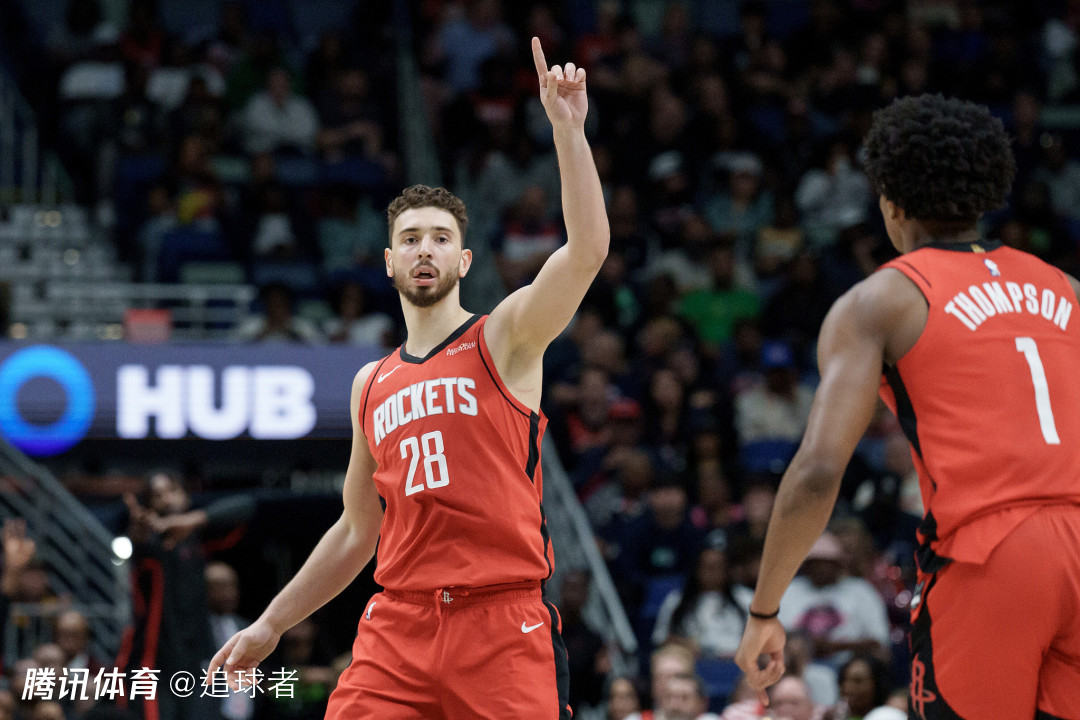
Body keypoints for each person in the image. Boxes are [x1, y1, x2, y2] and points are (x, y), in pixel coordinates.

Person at [208, 37, 608, 719]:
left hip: (501, 620)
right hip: (399, 625)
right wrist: (271, 622)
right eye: (412, 239)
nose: (426, 249)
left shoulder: (504, 337)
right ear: (390, 262)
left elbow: (587, 250)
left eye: (442, 238)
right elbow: (355, 531)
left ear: (464, 261)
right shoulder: (371, 382)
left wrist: (568, 133)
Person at [734, 93, 1080, 719]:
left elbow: (818, 470)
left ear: (890, 202)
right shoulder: (1067, 288)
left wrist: (764, 610)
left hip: (992, 550)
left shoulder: (882, 300)